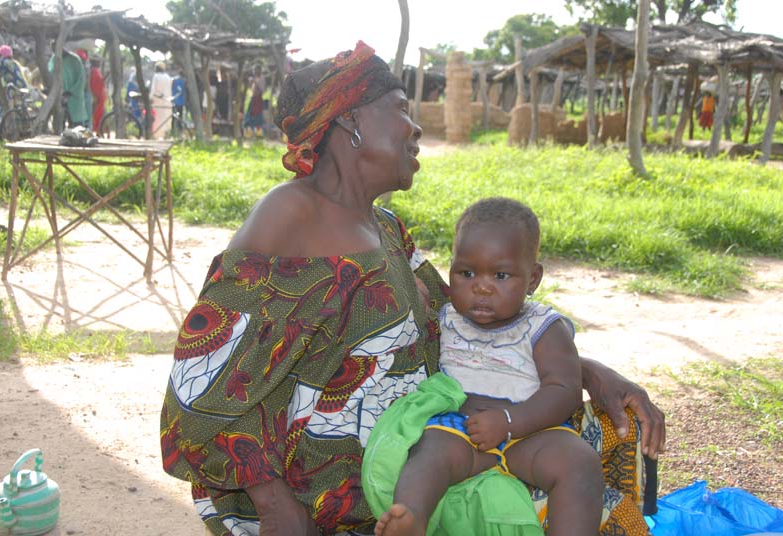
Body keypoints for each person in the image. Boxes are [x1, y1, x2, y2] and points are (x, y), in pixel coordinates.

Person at [159, 41, 665, 536]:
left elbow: (470, 323)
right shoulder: (292, 214)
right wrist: (274, 504)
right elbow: (199, 386)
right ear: (350, 119)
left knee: (588, 448)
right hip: (327, 500)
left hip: (430, 456)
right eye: (401, 109)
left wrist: (586, 372)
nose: (417, 126)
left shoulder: (384, 227)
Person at [373, 197, 603, 536]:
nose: (481, 286)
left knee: (580, 463)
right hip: (461, 429)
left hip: (530, 430)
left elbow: (564, 390)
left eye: (501, 275)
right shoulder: (447, 317)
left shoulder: (543, 326)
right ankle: (411, 517)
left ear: (533, 278)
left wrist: (510, 422)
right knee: (428, 454)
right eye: (466, 273)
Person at [48, 48, 88, 128]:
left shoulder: (75, 60)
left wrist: (71, 92)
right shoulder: (53, 60)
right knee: (59, 124)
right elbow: (50, 75)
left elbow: (81, 79)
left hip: (74, 97)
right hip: (59, 96)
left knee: (77, 127)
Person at [150, 61, 173, 139]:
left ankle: (156, 136)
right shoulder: (168, 77)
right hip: (167, 102)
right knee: (166, 119)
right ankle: (166, 135)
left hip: (157, 101)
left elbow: (153, 90)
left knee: (157, 119)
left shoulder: (156, 76)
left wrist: (150, 99)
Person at [242, 63, 266, 138]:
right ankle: (249, 133)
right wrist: (251, 82)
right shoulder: (253, 78)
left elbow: (262, 90)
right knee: (249, 116)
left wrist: (255, 82)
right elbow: (250, 88)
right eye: (254, 70)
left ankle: (259, 134)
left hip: (258, 99)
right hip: (253, 98)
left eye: (256, 70)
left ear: (259, 70)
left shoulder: (262, 78)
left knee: (258, 116)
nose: (255, 72)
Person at [89, 55, 107, 133]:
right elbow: (96, 83)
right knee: (97, 116)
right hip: (97, 97)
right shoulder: (94, 71)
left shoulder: (95, 71)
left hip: (99, 96)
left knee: (99, 115)